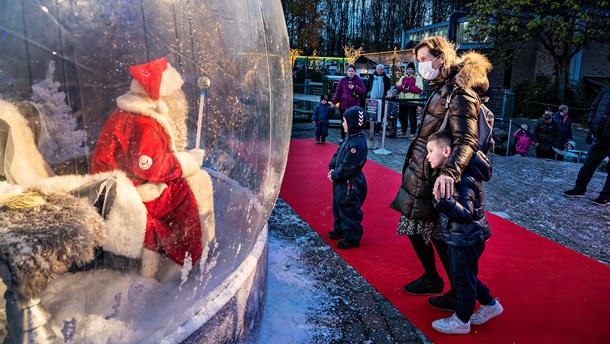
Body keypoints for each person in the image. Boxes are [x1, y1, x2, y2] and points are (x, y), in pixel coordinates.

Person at [390, 36, 492, 311]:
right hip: (423, 169)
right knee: (418, 227)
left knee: (438, 234)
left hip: (436, 172)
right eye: (419, 60)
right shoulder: (441, 87)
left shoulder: (459, 92)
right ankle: (438, 280)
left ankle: (458, 292)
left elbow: (466, 140)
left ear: (441, 58)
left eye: (424, 60)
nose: (420, 66)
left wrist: (449, 173)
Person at [91, 57, 210, 269]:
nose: (179, 98)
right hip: (127, 188)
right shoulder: (142, 121)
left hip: (120, 180)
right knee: (182, 194)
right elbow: (151, 168)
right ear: (162, 95)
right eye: (175, 92)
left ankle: (183, 254)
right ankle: (184, 258)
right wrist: (189, 161)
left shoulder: (134, 112)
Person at [426, 131, 503, 334]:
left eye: (431, 151)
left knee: (463, 279)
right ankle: (490, 305)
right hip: (461, 236)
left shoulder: (460, 179)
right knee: (464, 275)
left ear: (446, 151)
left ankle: (462, 319)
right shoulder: (451, 175)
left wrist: (443, 202)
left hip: (467, 238)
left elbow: (465, 214)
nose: (428, 156)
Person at [327, 106, 368, 250]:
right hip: (340, 182)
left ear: (352, 124)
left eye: (344, 121)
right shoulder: (349, 138)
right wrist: (332, 167)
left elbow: (348, 166)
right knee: (338, 205)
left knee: (349, 208)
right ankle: (339, 229)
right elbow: (338, 154)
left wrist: (335, 175)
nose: (342, 124)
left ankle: (352, 237)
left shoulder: (357, 144)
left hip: (350, 183)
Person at [563, 86, 610, 206]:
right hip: (599, 136)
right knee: (588, 163)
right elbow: (594, 107)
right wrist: (592, 122)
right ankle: (579, 189)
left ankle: (606, 196)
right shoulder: (606, 90)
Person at [332, 64, 366, 143]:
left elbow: (363, 91)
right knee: (343, 122)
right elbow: (338, 92)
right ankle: (343, 137)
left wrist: (354, 87)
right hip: (344, 105)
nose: (351, 73)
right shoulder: (342, 80)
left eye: (352, 71)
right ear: (346, 72)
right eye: (349, 71)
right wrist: (334, 102)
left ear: (355, 72)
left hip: (354, 106)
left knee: (353, 122)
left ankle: (352, 137)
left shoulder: (358, 80)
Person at [395, 61, 423, 139]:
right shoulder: (403, 77)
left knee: (412, 117)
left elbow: (420, 89)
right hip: (402, 100)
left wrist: (409, 88)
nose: (410, 71)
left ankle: (413, 133)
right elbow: (397, 87)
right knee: (402, 116)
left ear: (414, 70)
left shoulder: (417, 77)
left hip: (412, 101)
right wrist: (402, 87)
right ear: (406, 70)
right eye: (408, 69)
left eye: (411, 69)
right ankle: (403, 131)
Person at [366, 64, 391, 132]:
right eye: (379, 69)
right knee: (372, 114)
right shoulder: (371, 77)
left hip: (382, 99)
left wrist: (385, 98)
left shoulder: (386, 78)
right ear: (376, 69)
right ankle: (372, 128)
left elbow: (388, 89)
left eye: (381, 69)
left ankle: (378, 128)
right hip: (372, 98)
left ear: (383, 70)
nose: (380, 71)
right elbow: (367, 86)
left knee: (381, 114)